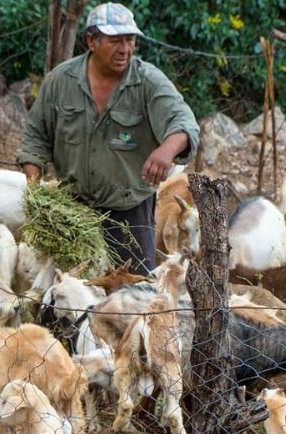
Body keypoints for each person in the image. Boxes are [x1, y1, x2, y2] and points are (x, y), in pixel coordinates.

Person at [17, 2, 199, 276]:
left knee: (133, 291)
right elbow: (35, 136)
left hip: (129, 216)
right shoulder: (61, 81)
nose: (125, 49)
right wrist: (36, 194)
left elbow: (185, 124)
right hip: (72, 212)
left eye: (130, 40)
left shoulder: (148, 82)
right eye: (115, 41)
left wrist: (166, 150)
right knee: (71, 291)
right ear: (92, 41)